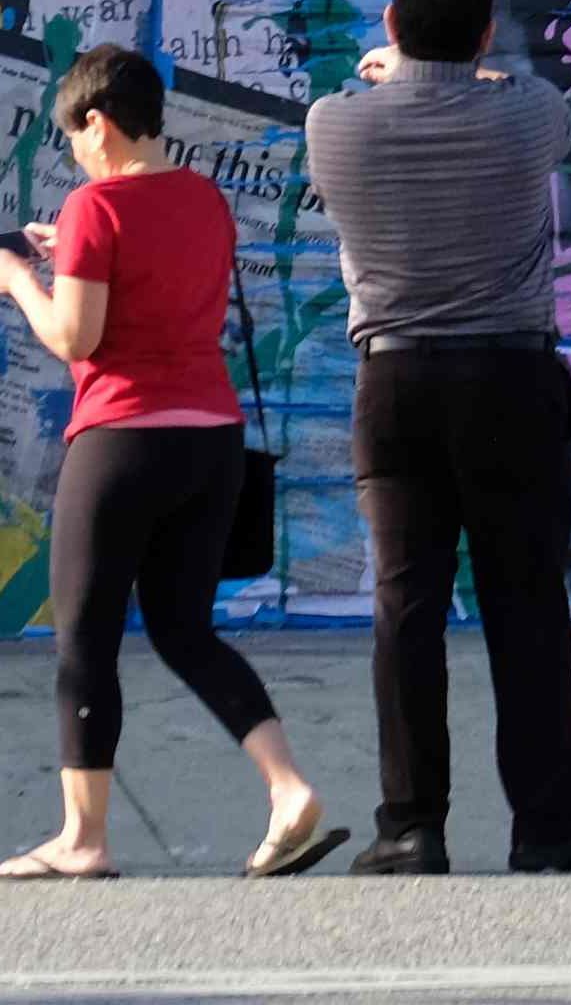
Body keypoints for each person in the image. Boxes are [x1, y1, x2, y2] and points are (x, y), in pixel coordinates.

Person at [298, 0, 571, 877]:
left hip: (395, 382)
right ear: (484, 36)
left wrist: (393, 74)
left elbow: (389, 83)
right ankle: (546, 826)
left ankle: (410, 827)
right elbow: (523, 97)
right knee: (528, 604)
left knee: (406, 608)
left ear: (391, 28)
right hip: (510, 377)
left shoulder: (334, 125)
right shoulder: (529, 114)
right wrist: (463, 74)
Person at [0, 44, 343, 879]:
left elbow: (75, 337)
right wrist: (72, 249)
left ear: (98, 123)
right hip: (211, 440)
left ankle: (83, 840)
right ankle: (288, 787)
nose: (74, 156)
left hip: (122, 440)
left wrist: (16, 279)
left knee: (85, 638)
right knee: (185, 629)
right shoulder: (205, 199)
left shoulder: (94, 205)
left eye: (74, 138)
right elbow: (156, 278)